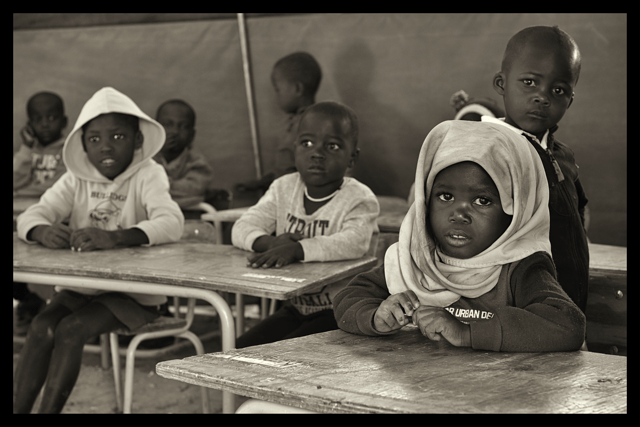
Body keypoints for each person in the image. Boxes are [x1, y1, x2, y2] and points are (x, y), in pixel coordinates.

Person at [334, 120, 586, 353]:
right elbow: (348, 297)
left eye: (482, 200)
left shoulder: (519, 268)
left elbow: (568, 325)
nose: (459, 215)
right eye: (445, 197)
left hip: (494, 396)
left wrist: (466, 333)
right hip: (420, 392)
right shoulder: (414, 258)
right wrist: (376, 316)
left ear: (516, 211)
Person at [13, 87, 184, 413]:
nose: (105, 146)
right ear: (82, 145)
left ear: (136, 141)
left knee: (71, 330)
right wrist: (42, 230)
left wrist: (116, 238)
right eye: (93, 139)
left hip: (135, 295)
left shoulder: (149, 173)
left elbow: (171, 222)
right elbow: (33, 215)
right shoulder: (76, 179)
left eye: (118, 136)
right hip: (83, 289)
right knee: (41, 327)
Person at [232, 101, 379, 348]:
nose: (317, 153)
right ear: (295, 148)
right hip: (297, 307)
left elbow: (355, 242)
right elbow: (242, 227)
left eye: (332, 146)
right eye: (307, 143)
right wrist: (272, 242)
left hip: (344, 312)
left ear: (352, 158)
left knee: (284, 354)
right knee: (242, 348)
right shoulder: (283, 189)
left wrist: (297, 249)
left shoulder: (360, 198)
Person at [484, 25, 590, 314]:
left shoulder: (563, 155)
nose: (543, 97)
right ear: (501, 83)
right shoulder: (488, 153)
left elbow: (579, 215)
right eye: (529, 82)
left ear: (570, 99)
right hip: (513, 311)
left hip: (569, 304)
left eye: (558, 90)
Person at [13, 91, 68, 335]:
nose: (45, 123)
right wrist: (26, 148)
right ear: (29, 124)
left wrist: (23, 190)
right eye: (37, 119)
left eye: (52, 117)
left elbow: (58, 186)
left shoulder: (69, 151)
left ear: (64, 122)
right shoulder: (27, 151)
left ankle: (56, 307)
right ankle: (27, 298)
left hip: (49, 216)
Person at [236, 51, 322, 193]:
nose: (276, 96)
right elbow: (287, 168)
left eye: (277, 90)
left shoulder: (313, 126)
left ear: (297, 89)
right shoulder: (296, 123)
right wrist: (262, 182)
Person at [153, 99, 214, 211]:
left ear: (192, 135)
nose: (175, 131)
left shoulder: (197, 163)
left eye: (183, 126)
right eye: (168, 124)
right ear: (155, 129)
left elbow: (193, 190)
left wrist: (157, 187)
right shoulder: (144, 159)